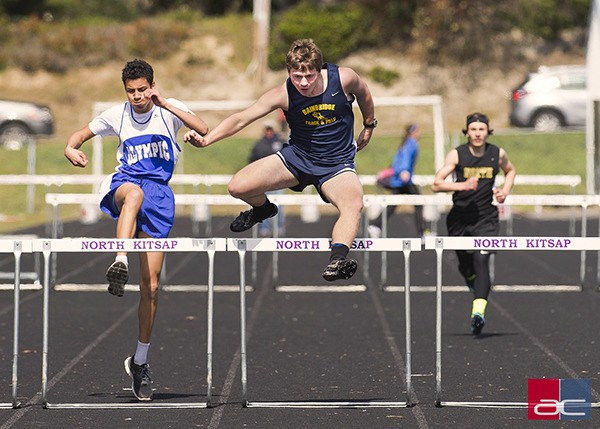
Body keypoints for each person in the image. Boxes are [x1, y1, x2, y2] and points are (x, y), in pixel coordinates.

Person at [64, 59, 208, 400]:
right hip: (126, 184)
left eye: (142, 90)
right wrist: (71, 147)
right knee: (134, 194)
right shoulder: (118, 115)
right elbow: (80, 134)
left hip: (160, 196)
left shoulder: (168, 110)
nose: (137, 96)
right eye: (131, 91)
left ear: (152, 86)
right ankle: (120, 258)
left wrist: (165, 104)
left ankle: (140, 361)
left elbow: (202, 127)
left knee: (152, 287)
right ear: (125, 91)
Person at [185, 38, 376, 281]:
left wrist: (369, 124)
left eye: (309, 76)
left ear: (320, 70)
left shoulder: (344, 78)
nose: (303, 83)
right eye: (297, 76)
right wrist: (207, 139)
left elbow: (365, 93)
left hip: (337, 165)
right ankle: (264, 208)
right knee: (237, 186)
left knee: (353, 203)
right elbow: (241, 119)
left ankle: (337, 260)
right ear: (289, 72)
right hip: (297, 158)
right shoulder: (282, 94)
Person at [431, 112, 516, 335]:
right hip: (459, 217)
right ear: (467, 132)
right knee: (466, 265)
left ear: (488, 131)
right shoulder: (457, 155)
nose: (478, 134)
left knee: (481, 259)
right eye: (473, 130)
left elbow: (511, 170)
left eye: (481, 129)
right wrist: (462, 186)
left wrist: (504, 191)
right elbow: (437, 184)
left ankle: (478, 313)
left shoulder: (497, 153)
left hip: (486, 217)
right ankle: (471, 279)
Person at [369, 123, 425, 239]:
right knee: (419, 202)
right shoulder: (411, 144)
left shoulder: (404, 143)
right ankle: (422, 232)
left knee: (393, 204)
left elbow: (396, 161)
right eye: (418, 130)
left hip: (400, 180)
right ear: (413, 132)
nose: (420, 133)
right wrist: (404, 171)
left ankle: (376, 225)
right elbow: (405, 159)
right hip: (402, 181)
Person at [248, 119, 285, 237]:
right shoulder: (259, 145)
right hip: (263, 181)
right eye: (267, 129)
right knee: (263, 205)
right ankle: (265, 228)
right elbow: (252, 161)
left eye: (270, 129)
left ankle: (279, 227)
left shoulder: (280, 143)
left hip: (279, 180)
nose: (269, 132)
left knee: (279, 205)